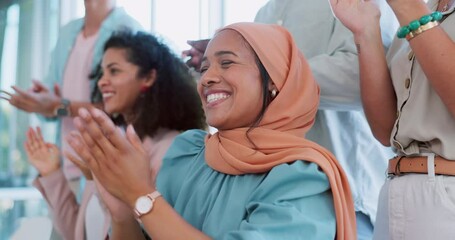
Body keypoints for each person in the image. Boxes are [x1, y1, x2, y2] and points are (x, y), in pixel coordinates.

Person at [67, 22, 356, 239]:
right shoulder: (188, 153)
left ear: (274, 80)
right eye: (204, 67)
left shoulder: (302, 178)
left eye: (227, 63)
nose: (207, 78)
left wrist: (141, 196)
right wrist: (122, 211)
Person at [182, 1, 398, 239]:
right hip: (267, 186)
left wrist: (267, 72)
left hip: (347, 192)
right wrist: (228, 65)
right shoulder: (267, 12)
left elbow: (360, 75)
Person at [23, 31, 206, 240]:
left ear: (148, 77)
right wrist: (52, 173)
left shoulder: (173, 149)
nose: (102, 82)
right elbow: (80, 232)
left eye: (114, 71)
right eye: (102, 73)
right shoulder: (111, 146)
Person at [329, 0, 455, 239]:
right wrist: (366, 30)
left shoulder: (413, 9)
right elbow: (386, 129)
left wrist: (408, 7)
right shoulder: (424, 8)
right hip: (395, 191)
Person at [1, 0, 142, 190]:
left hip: (105, 168)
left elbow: (126, 109)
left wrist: (58, 106)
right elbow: (53, 105)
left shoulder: (129, 29)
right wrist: (40, 103)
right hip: (65, 164)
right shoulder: (68, 32)